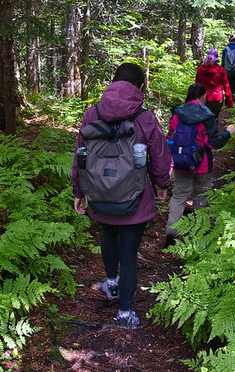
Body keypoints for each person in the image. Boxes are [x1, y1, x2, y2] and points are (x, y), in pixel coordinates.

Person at [71, 62, 172, 329]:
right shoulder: (145, 118)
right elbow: (160, 156)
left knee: (108, 236)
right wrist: (162, 184)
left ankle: (112, 283)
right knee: (129, 253)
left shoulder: (92, 114)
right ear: (140, 88)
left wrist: (78, 192)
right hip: (135, 198)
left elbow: (80, 157)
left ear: (113, 83)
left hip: (100, 194)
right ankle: (125, 312)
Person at [165, 83, 235, 246]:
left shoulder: (177, 114)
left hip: (181, 162)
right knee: (201, 198)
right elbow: (213, 143)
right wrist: (228, 132)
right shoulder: (208, 116)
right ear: (203, 96)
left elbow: (171, 137)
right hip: (202, 165)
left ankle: (171, 233)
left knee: (178, 197)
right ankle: (200, 237)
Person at [195, 48, 234, 117]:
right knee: (214, 118)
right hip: (217, 99)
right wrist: (229, 102)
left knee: (205, 118)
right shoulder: (221, 70)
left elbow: (196, 85)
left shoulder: (201, 69)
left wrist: (196, 99)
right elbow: (226, 86)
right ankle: (214, 127)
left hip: (204, 98)